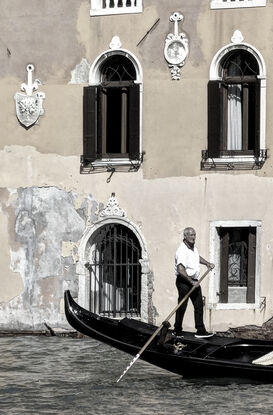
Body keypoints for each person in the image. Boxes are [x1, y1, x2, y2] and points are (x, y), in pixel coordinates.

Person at [173, 227, 215, 338]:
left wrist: (207, 263)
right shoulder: (181, 250)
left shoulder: (193, 248)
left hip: (194, 281)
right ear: (185, 236)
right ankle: (177, 330)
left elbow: (197, 257)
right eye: (191, 235)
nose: (193, 237)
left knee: (199, 305)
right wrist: (191, 281)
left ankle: (200, 330)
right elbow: (180, 270)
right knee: (182, 306)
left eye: (194, 235)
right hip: (184, 281)